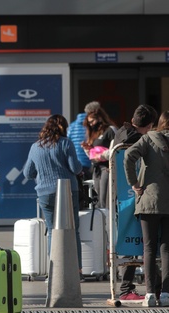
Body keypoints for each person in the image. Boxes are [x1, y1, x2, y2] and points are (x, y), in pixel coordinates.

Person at [23, 114, 84, 281]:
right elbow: (75, 167)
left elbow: (28, 173)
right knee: (72, 231)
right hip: (68, 192)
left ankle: (54, 272)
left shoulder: (35, 147)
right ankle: (76, 271)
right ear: (63, 127)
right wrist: (81, 170)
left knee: (52, 232)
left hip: (45, 194)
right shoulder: (66, 143)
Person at [112, 104, 158, 301]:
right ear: (148, 125)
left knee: (133, 241)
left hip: (120, 197)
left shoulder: (120, 133)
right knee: (141, 242)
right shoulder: (138, 140)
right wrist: (136, 184)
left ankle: (134, 286)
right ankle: (127, 288)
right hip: (133, 195)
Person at [124, 110, 169, 307]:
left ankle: (150, 294)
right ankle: (166, 294)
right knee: (167, 249)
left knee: (149, 248)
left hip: (149, 199)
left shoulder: (148, 138)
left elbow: (128, 156)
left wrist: (134, 183)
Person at [81, 107, 117, 208]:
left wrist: (101, 156)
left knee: (104, 199)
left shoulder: (110, 130)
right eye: (89, 123)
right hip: (96, 169)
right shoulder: (93, 133)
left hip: (107, 168)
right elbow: (93, 155)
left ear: (100, 118)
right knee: (97, 199)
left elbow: (116, 149)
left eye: (92, 121)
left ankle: (108, 222)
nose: (91, 124)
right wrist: (88, 149)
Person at [68, 101, 100, 180]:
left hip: (77, 164)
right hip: (91, 163)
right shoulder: (93, 126)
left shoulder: (71, 126)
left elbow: (67, 144)